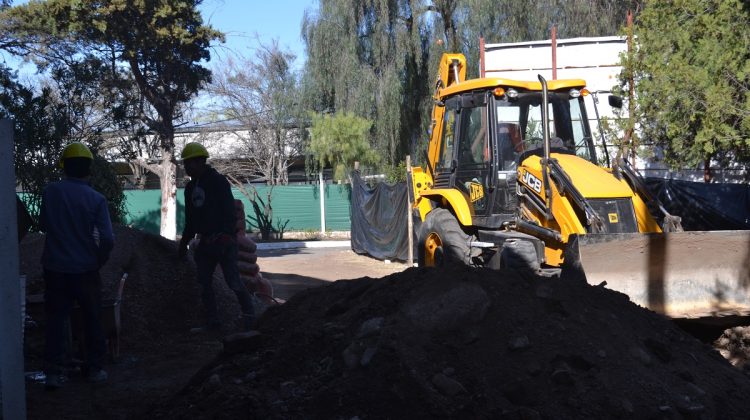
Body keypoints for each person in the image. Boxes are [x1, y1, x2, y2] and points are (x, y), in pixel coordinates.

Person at [40, 142, 114, 390]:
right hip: (85, 269)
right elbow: (107, 238)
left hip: (55, 268)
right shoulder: (96, 199)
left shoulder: (50, 192)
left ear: (65, 167)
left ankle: (54, 373)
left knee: (56, 319)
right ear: (89, 168)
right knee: (92, 318)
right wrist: (99, 259)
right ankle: (94, 369)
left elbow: (43, 224)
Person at [177, 142, 256, 332]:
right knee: (204, 283)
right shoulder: (189, 188)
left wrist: (226, 236)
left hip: (224, 242)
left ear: (202, 161)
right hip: (205, 243)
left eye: (191, 163)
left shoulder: (218, 181)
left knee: (233, 282)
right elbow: (191, 219)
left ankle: (250, 318)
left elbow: (230, 212)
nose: (187, 167)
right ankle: (212, 323)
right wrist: (183, 245)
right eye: (185, 163)